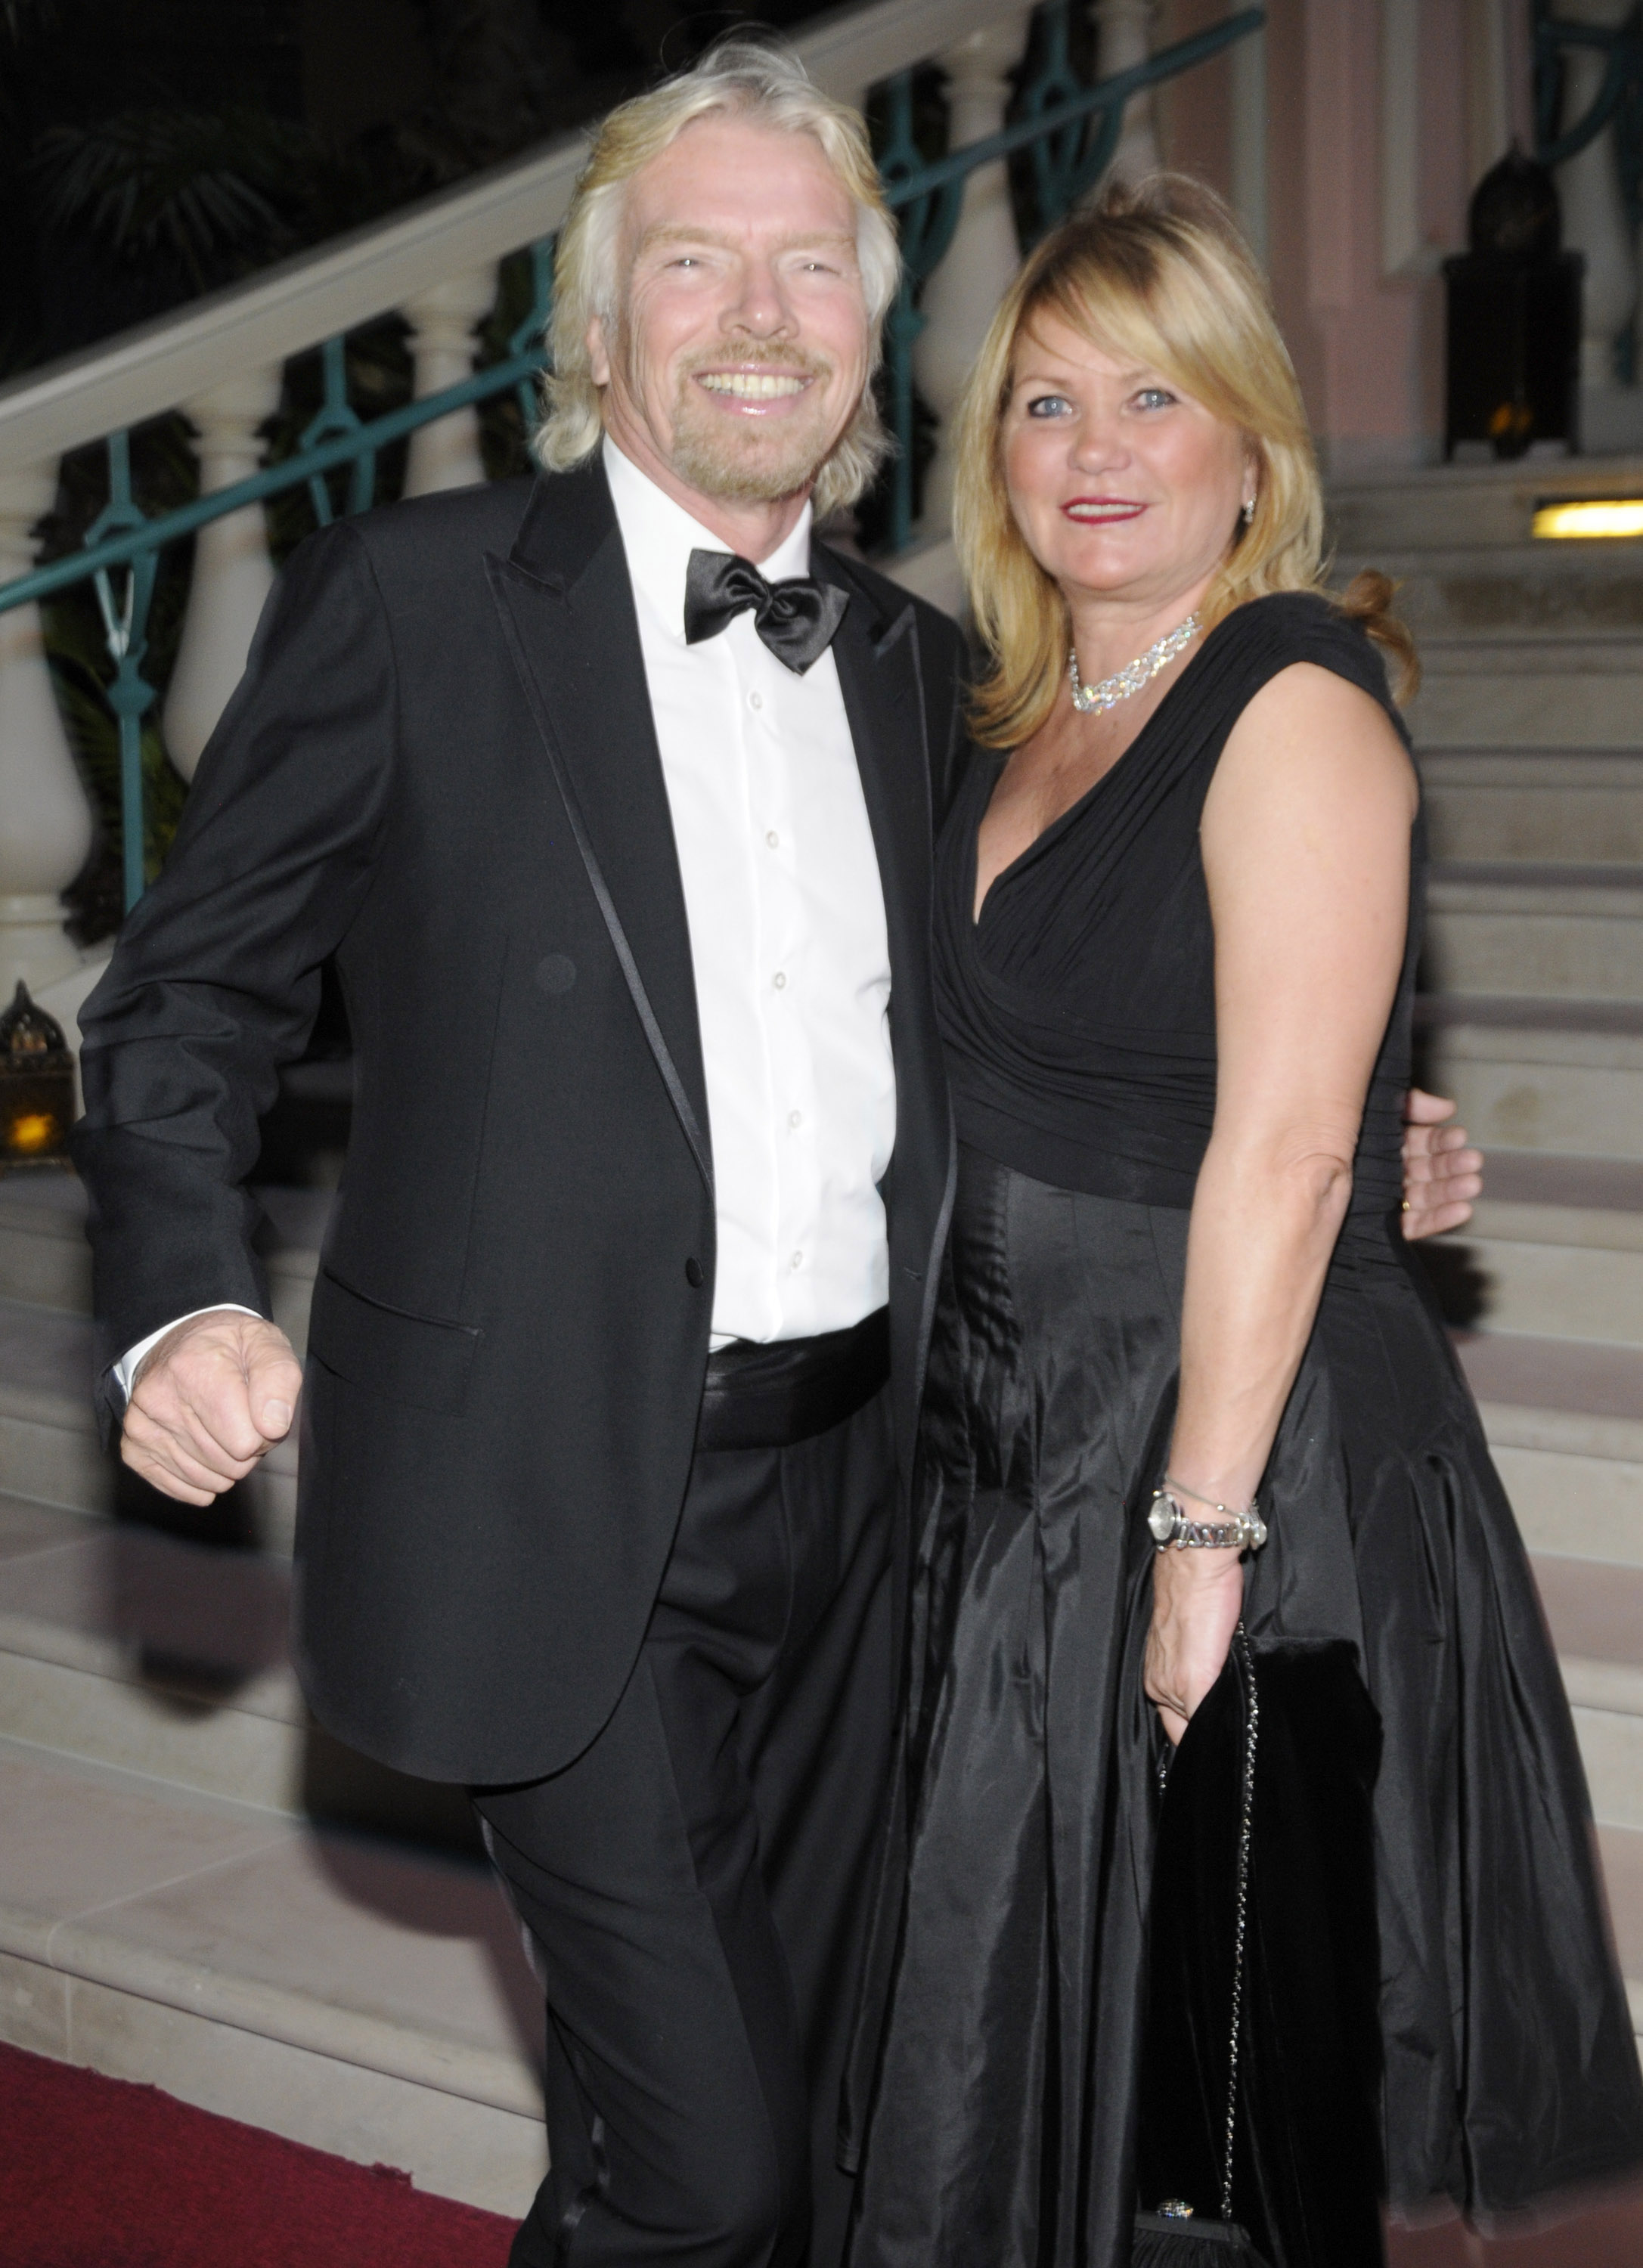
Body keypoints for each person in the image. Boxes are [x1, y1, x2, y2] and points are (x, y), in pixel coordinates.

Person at [70, 45, 1479, 2268]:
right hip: (547, 1485)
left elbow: (1018, 1027)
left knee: (786, 2123)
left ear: (868, 325)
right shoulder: (417, 603)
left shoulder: (930, 677)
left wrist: (1313, 1113)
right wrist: (181, 1290)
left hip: (883, 1500)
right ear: (602, 322)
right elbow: (183, 997)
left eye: (810, 263)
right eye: (696, 261)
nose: (757, 313)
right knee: (715, 2163)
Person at [843, 179, 1643, 2268]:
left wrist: (1202, 1541)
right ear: (990, 450)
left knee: (1222, 2078)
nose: (1095, 451)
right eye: (1043, 402)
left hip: (1222, 1445)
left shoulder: (1291, 697)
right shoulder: (1005, 711)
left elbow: (1282, 1157)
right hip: (1010, 1446)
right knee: (1017, 2037)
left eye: (1154, 400)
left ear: (1253, 451)